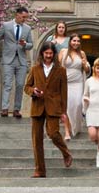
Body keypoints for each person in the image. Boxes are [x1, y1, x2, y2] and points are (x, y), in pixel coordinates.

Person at [24, 42, 73, 177]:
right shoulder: (35, 69)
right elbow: (26, 87)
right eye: (46, 53)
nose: (48, 56)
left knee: (53, 133)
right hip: (37, 106)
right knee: (37, 139)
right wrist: (33, 91)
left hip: (54, 107)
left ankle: (66, 152)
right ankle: (40, 170)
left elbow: (64, 92)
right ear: (42, 54)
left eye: (51, 53)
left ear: (54, 54)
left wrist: (64, 111)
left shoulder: (61, 70)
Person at [0, 6, 33, 119]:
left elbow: (31, 44)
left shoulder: (27, 28)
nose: (24, 19)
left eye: (26, 18)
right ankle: (4, 109)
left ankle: (17, 109)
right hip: (8, 60)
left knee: (19, 85)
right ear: (17, 15)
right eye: (23, 17)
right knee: (7, 84)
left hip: (21, 61)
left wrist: (25, 44)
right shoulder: (6, 26)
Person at [59, 34, 89, 138]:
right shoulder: (63, 52)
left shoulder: (82, 53)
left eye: (78, 41)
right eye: (74, 41)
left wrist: (85, 64)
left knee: (77, 105)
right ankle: (67, 131)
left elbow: (87, 70)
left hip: (78, 82)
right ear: (70, 41)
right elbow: (58, 67)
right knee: (66, 107)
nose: (76, 43)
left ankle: (75, 126)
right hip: (65, 82)